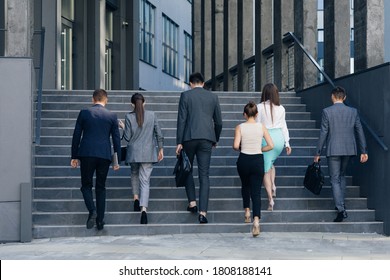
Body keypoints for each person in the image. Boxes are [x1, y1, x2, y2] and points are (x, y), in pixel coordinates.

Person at [314, 86, 368, 222]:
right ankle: (340, 204)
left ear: (332, 97)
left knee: (334, 179)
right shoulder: (353, 112)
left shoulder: (327, 112)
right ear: (344, 97)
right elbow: (359, 131)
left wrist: (318, 152)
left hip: (333, 150)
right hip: (349, 150)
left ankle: (341, 209)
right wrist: (364, 151)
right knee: (341, 176)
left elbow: (323, 133)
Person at [176, 72, 223, 224]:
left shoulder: (185, 96)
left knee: (187, 168)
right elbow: (219, 122)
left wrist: (179, 141)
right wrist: (214, 138)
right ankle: (203, 213)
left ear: (190, 83)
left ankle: (192, 202)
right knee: (204, 175)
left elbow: (181, 120)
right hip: (207, 138)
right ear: (203, 83)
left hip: (189, 138)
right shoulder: (213, 97)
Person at [71, 89, 121, 231]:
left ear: (92, 99)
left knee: (86, 186)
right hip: (104, 155)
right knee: (101, 187)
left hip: (86, 153)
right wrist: (117, 161)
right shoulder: (112, 116)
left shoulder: (84, 113)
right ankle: (100, 221)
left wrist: (74, 156)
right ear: (106, 100)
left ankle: (92, 210)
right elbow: (116, 140)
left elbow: (76, 136)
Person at [121, 93, 164, 225]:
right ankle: (143, 209)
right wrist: (160, 148)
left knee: (134, 174)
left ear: (132, 104)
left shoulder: (129, 117)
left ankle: (135, 198)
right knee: (145, 181)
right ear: (144, 103)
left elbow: (127, 138)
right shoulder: (152, 115)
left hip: (133, 153)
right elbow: (159, 133)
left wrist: (123, 127)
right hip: (148, 153)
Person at [233, 101, 274, 237]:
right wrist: (260, 149)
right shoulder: (261, 127)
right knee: (256, 192)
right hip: (257, 160)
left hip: (244, 159)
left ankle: (246, 211)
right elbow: (271, 145)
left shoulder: (240, 127)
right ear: (256, 115)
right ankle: (256, 221)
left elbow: (235, 145)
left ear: (244, 114)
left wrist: (243, 147)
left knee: (245, 186)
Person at [256, 83, 292, 211]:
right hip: (278, 139)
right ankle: (273, 186)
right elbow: (284, 127)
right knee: (270, 163)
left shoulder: (259, 107)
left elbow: (257, 125)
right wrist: (287, 143)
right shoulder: (281, 108)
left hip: (266, 138)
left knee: (265, 169)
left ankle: (270, 199)